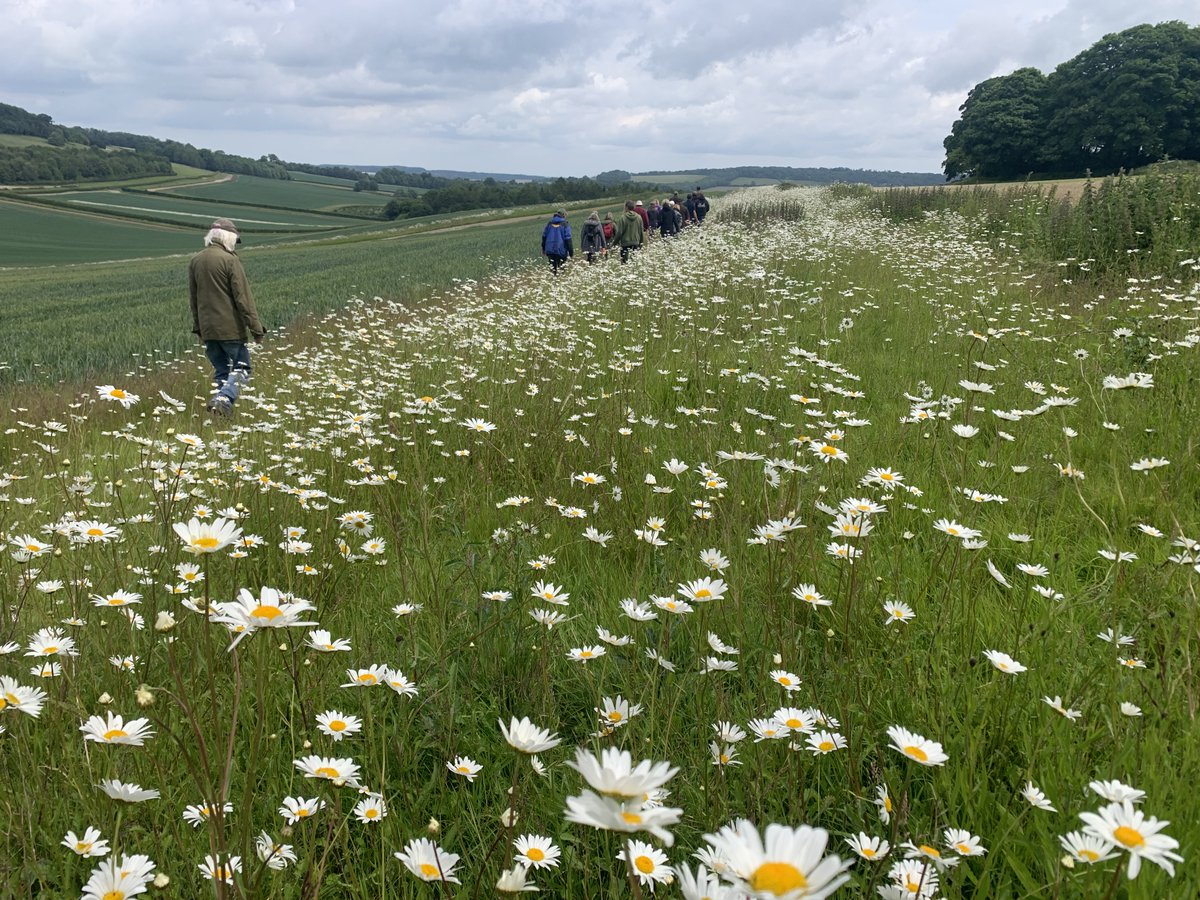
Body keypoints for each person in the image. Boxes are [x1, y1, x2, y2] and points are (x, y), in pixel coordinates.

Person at [188, 217, 265, 415]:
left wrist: (199, 328)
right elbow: (243, 299)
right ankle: (224, 400)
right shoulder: (230, 260)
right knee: (242, 369)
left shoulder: (196, 260)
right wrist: (256, 329)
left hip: (208, 329)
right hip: (230, 328)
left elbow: (194, 300)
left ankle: (219, 412)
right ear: (227, 237)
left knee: (222, 371)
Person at [541, 209, 573, 274]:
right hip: (561, 250)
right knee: (562, 270)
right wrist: (571, 252)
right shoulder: (565, 224)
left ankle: (553, 281)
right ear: (563, 215)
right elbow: (568, 239)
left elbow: (544, 237)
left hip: (550, 250)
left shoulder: (549, 224)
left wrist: (544, 249)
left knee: (553, 270)